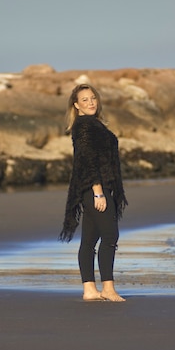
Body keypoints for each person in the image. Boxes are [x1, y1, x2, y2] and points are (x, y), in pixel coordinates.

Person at [59, 84, 128, 302]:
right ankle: (107, 288)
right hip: (93, 188)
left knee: (89, 240)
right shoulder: (85, 126)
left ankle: (89, 289)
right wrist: (98, 191)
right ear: (76, 105)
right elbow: (88, 160)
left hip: (94, 187)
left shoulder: (93, 124)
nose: (90, 103)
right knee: (110, 236)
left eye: (93, 98)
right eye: (85, 100)